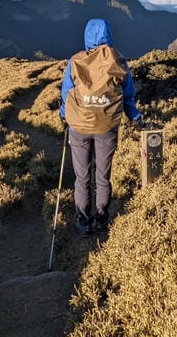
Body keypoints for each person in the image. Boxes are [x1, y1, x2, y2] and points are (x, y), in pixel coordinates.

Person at [59, 18, 142, 235]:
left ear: (87, 37)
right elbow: (128, 95)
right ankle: (101, 220)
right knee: (103, 177)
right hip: (107, 126)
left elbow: (66, 92)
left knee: (82, 177)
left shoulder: (75, 61)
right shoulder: (119, 61)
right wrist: (135, 117)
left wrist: (63, 116)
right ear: (109, 35)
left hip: (78, 126)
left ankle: (83, 222)